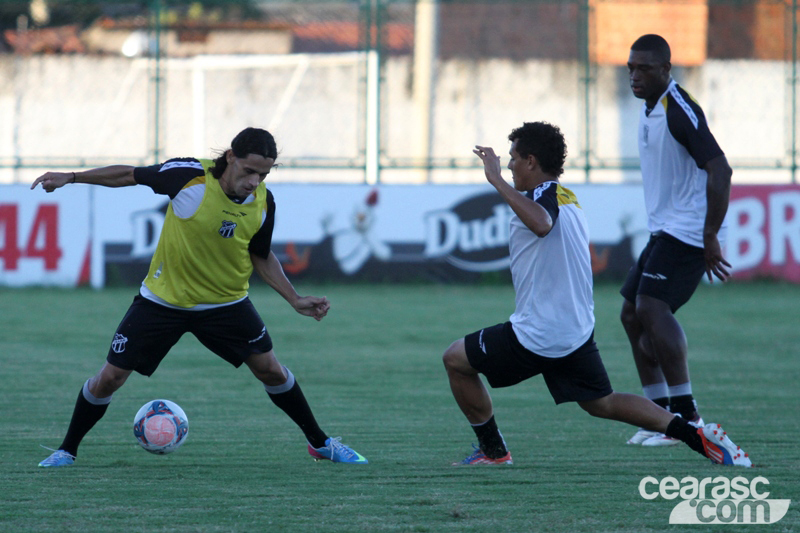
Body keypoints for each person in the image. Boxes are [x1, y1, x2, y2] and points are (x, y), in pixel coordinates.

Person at [32, 127, 368, 467]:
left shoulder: (264, 202)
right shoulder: (188, 177)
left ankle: (320, 443)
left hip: (226, 303)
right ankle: (66, 450)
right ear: (231, 157)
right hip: (163, 301)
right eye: (249, 171)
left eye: (263, 174)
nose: (255, 181)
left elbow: (261, 255)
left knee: (272, 371)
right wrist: (71, 177)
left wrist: (294, 299)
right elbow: (129, 175)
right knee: (110, 378)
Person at [442, 121, 750, 467]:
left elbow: (541, 224)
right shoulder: (567, 197)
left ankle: (493, 452)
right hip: (574, 329)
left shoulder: (543, 196)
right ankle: (696, 435)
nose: (508, 165)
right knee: (602, 402)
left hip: (540, 332)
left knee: (455, 359)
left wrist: (495, 179)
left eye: (513, 158)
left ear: (531, 161)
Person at [622, 34, 733, 446]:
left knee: (651, 307)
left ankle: (687, 417)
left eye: (645, 68)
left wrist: (710, 235)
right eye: (631, 67)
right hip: (666, 227)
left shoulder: (678, 109)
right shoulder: (650, 105)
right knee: (631, 314)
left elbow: (721, 170)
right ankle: (658, 417)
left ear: (666, 69)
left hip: (689, 229)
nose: (635, 75)